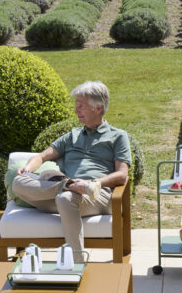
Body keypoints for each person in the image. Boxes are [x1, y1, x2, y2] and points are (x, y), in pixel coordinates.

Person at [12, 81, 131, 261]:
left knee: (65, 198)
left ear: (98, 108)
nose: (76, 111)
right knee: (18, 182)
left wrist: (93, 183)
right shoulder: (72, 136)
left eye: (81, 106)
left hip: (97, 194)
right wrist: (28, 168)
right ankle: (68, 185)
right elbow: (41, 157)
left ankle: (77, 264)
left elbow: (122, 175)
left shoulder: (118, 136)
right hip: (66, 192)